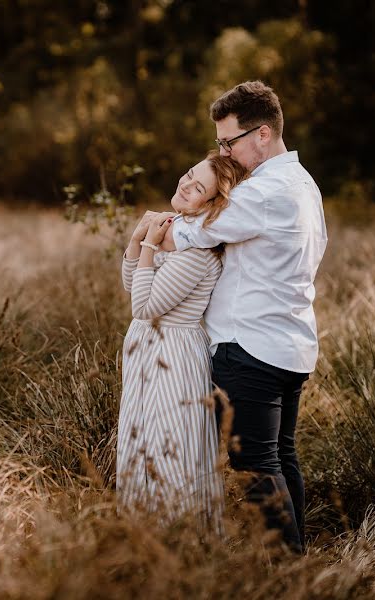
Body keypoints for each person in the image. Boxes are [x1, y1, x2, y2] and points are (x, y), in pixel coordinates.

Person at [158, 80, 328, 553]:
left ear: (262, 135)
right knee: (279, 457)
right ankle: (301, 563)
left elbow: (185, 236)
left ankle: (289, 570)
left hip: (250, 348)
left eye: (228, 142)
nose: (223, 153)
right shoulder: (304, 185)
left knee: (255, 464)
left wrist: (160, 226)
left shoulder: (266, 192)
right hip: (290, 346)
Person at [117, 151, 248, 533]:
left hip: (172, 354)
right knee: (141, 437)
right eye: (189, 174)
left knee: (167, 443)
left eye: (199, 187)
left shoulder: (199, 251)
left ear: (213, 203)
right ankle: (140, 530)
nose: (186, 184)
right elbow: (132, 286)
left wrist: (149, 247)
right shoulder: (175, 229)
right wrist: (137, 240)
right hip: (147, 349)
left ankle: (178, 536)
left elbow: (143, 306)